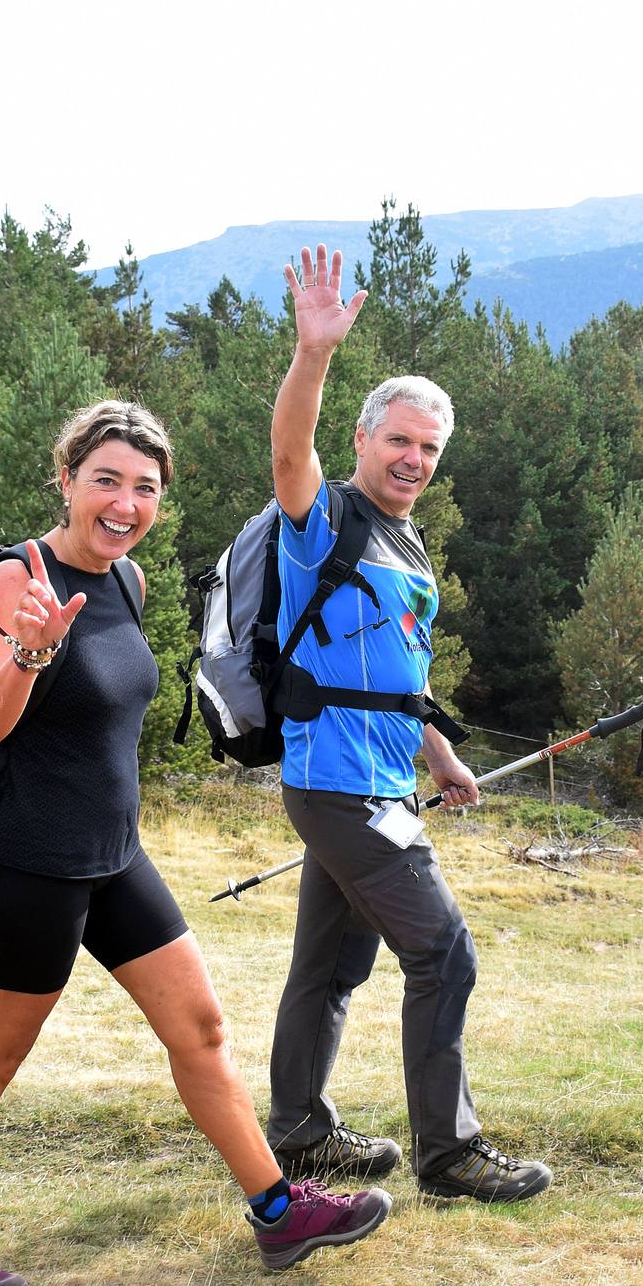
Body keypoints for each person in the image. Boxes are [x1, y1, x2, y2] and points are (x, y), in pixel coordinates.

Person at [0, 401, 390, 1286]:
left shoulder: (128, 581)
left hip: (113, 856)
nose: (124, 504)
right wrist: (31, 656)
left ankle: (278, 1212)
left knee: (199, 1028)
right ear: (67, 478)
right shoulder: (19, 582)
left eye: (144, 488)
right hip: (31, 864)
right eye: (106, 481)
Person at [264, 244, 551, 1203]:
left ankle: (300, 1133)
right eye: (400, 441)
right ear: (362, 437)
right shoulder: (324, 520)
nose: (414, 460)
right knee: (443, 953)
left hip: (377, 776)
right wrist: (313, 356)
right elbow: (287, 454)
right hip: (340, 782)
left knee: (331, 965)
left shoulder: (406, 541)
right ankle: (451, 1153)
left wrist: (441, 753)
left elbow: (400, 672)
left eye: (429, 448)